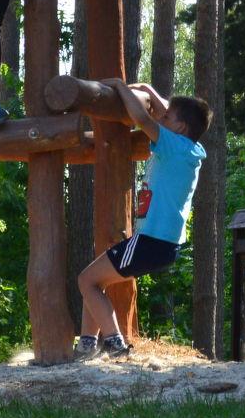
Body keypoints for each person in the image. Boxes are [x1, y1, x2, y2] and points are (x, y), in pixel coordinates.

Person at [73, 80, 212, 360]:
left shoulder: (173, 146)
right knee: (94, 281)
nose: (162, 116)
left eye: (168, 117)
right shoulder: (188, 149)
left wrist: (118, 86)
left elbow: (142, 119)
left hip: (150, 240)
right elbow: (165, 112)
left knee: (87, 280)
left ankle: (114, 344)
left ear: (180, 127)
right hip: (162, 244)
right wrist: (148, 89)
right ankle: (86, 345)